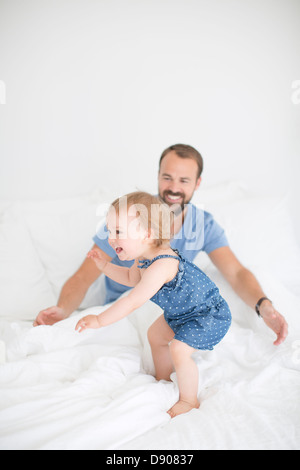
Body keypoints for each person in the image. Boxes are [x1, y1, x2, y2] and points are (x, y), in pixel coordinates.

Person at [34, 144, 288, 346]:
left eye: (184, 180)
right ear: (157, 176)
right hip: (123, 306)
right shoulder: (127, 216)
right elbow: (85, 274)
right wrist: (63, 309)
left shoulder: (203, 224)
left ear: (197, 183)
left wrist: (264, 306)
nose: (174, 188)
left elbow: (236, 272)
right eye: (167, 178)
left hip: (167, 310)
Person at [75, 191, 232, 418]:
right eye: (109, 230)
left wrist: (100, 320)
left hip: (206, 315)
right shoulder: (143, 257)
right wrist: (104, 267)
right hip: (181, 313)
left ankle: (189, 400)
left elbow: (132, 301)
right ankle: (163, 378)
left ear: (147, 234)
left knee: (178, 349)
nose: (111, 238)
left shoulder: (162, 265)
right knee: (155, 336)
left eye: (118, 231)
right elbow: (131, 279)